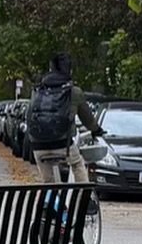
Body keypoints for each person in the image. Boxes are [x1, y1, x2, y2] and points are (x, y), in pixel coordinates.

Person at [27, 53, 103, 184]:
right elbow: (87, 119)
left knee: (48, 181)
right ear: (69, 70)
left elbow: (29, 116)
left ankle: (49, 199)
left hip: (38, 144)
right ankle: (83, 195)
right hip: (63, 145)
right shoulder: (74, 91)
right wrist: (96, 130)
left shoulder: (37, 91)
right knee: (78, 164)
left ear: (50, 70)